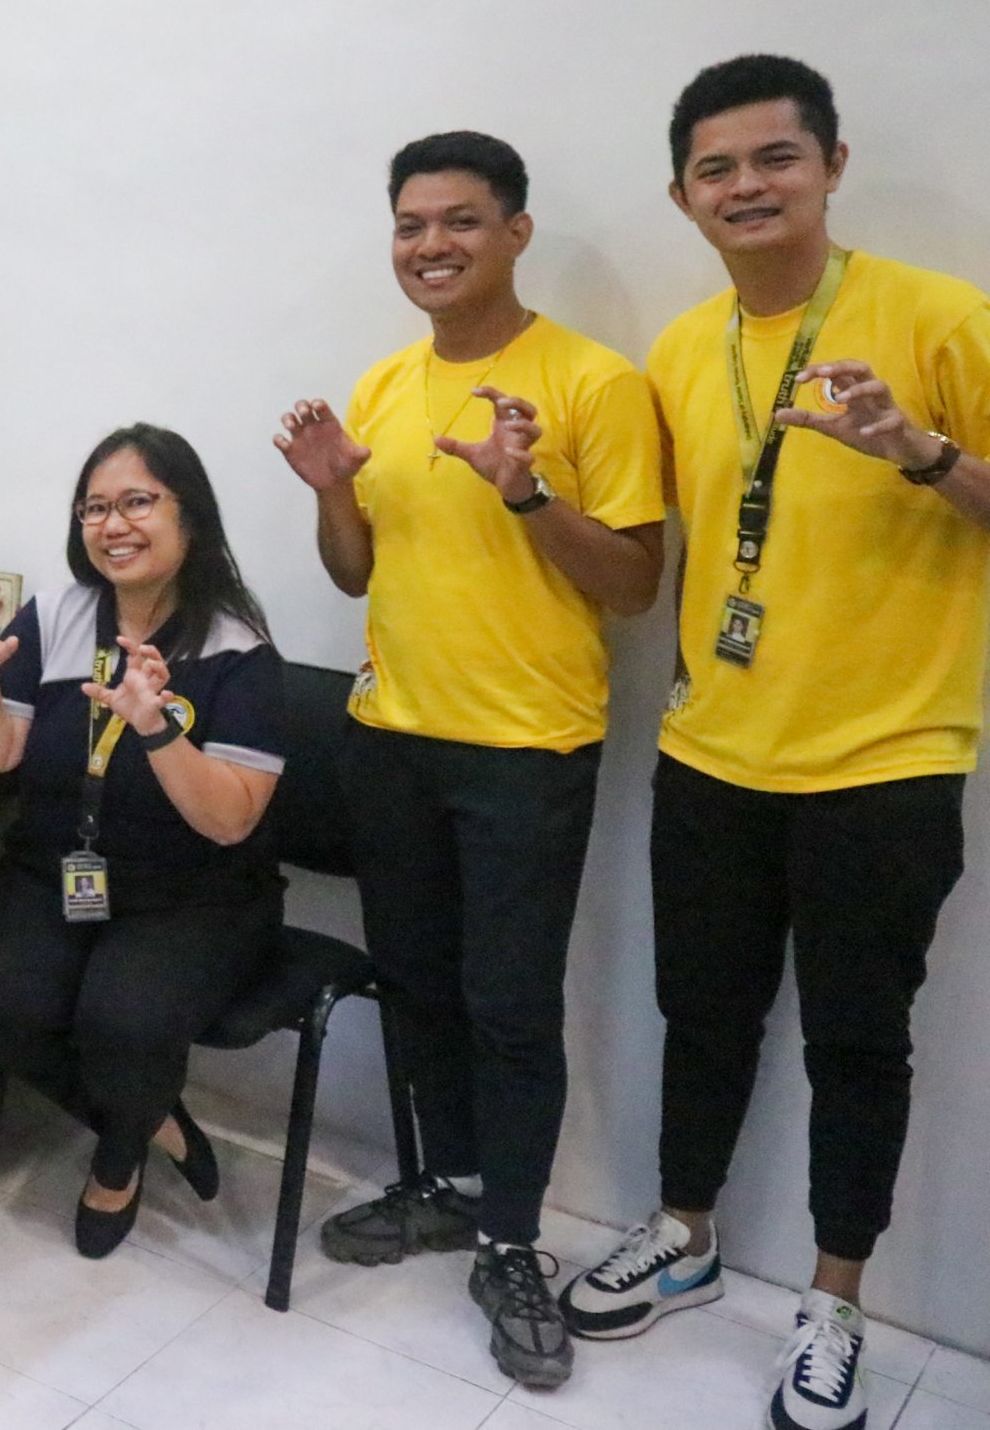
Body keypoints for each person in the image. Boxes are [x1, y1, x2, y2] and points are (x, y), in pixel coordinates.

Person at [560, 56, 990, 1430]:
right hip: (715, 754)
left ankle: (836, 1296)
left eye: (775, 159)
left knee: (861, 1041)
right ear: (684, 196)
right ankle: (683, 1231)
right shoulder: (684, 350)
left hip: (888, 759)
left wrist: (920, 449)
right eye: (717, 168)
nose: (747, 186)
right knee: (705, 1015)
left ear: (833, 166)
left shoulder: (942, 317)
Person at [275, 132, 663, 1389]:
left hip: (524, 751)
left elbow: (634, 585)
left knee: (509, 1007)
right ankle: (439, 1187)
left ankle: (510, 1243)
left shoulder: (592, 384)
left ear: (515, 232)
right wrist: (333, 489)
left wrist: (524, 492)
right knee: (419, 983)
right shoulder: (385, 384)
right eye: (408, 225)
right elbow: (356, 570)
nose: (429, 246)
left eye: (458, 222)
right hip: (390, 739)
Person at [0, 423, 285, 1261]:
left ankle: (118, 1157)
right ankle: (158, 1118)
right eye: (95, 507)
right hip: (57, 867)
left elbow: (232, 818)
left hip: (191, 891)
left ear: (188, 516)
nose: (113, 524)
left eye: (136, 502)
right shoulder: (55, 615)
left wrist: (157, 730)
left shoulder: (237, 649)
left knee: (123, 1024)